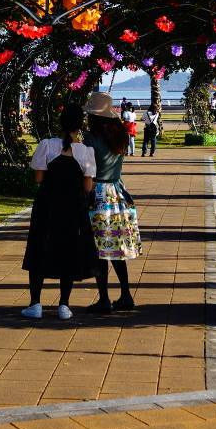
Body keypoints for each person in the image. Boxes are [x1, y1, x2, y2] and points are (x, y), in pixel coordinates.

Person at [22, 104, 97, 319]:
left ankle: (35, 303)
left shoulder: (46, 145)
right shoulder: (85, 151)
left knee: (39, 249)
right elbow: (88, 187)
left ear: (60, 123)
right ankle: (64, 304)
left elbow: (38, 178)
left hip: (47, 205)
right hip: (73, 208)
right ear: (79, 125)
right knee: (68, 251)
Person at [84, 91, 141, 312]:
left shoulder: (90, 138)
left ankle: (104, 298)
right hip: (117, 192)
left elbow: (87, 167)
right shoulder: (120, 135)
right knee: (117, 246)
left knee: (100, 249)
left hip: (97, 193)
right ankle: (126, 294)